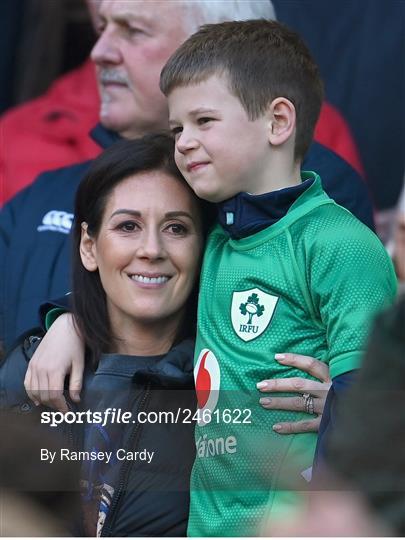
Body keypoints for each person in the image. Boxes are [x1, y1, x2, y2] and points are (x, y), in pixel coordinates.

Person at [0, 0, 375, 354]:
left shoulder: (312, 196)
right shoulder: (39, 194)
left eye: (132, 30)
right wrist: (65, 319)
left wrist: (342, 398)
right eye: (102, 27)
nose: (99, 52)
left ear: (219, 49)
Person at [157, 19, 397, 535]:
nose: (183, 143)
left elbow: (370, 398)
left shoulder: (339, 243)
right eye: (176, 129)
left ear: (278, 122)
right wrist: (66, 320)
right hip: (203, 524)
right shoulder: (214, 232)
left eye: (203, 120)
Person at [1, 133, 210, 536]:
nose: (152, 249)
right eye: (128, 226)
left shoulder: (224, 383)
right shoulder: (25, 370)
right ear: (89, 246)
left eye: (177, 228)